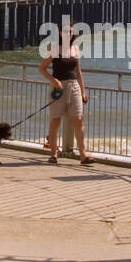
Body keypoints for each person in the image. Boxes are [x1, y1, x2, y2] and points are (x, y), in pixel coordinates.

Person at [39, 22, 92, 165]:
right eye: (66, 31)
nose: (69, 34)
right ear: (61, 34)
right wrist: (54, 81)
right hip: (58, 87)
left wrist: (83, 91)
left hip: (74, 86)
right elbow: (42, 68)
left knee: (78, 120)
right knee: (56, 120)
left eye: (71, 32)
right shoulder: (55, 49)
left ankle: (83, 155)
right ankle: (54, 154)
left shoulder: (75, 48)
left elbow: (78, 72)